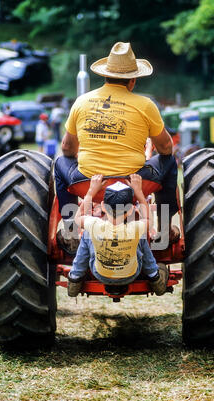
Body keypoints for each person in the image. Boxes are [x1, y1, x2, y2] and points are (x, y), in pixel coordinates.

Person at [54, 42, 179, 250]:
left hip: (88, 182)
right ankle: (164, 232)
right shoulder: (146, 105)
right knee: (169, 162)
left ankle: (71, 232)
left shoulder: (81, 102)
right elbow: (166, 148)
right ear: (133, 80)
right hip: (135, 182)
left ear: (105, 75)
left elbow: (67, 148)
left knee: (61, 162)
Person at [67, 173, 168, 297]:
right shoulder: (135, 228)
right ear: (130, 210)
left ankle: (75, 277)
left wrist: (90, 192)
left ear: (103, 206)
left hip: (100, 274)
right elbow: (148, 220)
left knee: (87, 232)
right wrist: (139, 192)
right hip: (131, 275)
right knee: (140, 235)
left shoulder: (95, 225)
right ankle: (154, 277)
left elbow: (78, 219)